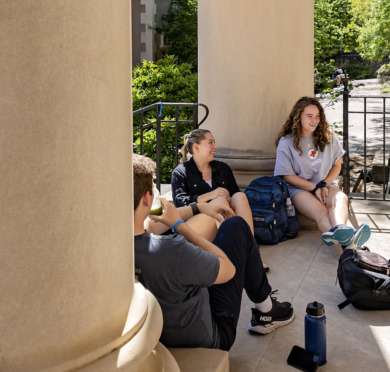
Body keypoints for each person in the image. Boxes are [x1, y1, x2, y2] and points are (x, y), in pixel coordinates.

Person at [133, 154, 294, 351]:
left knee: (228, 230)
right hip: (211, 339)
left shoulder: (112, 249)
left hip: (160, 334)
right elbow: (228, 270)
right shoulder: (173, 249)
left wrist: (199, 207)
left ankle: (266, 306)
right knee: (236, 226)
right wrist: (179, 226)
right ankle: (266, 310)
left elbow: (149, 225)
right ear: (148, 198)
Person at [274, 96, 370, 248]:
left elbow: (337, 165)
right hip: (298, 189)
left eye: (318, 116)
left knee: (340, 198)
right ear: (298, 117)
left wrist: (324, 184)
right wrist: (315, 188)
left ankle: (340, 229)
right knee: (322, 212)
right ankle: (350, 247)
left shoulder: (328, 136)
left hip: (323, 184)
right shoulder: (287, 142)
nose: (315, 120)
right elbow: (288, 176)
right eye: (309, 116)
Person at [171, 129, 269, 270]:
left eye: (214, 142)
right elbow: (180, 204)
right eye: (210, 143)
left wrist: (223, 200)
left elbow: (235, 197)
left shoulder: (223, 169)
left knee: (240, 197)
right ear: (196, 147)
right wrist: (210, 196)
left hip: (223, 222)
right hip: (197, 228)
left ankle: (251, 254)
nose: (215, 147)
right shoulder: (181, 172)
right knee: (219, 201)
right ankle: (241, 254)